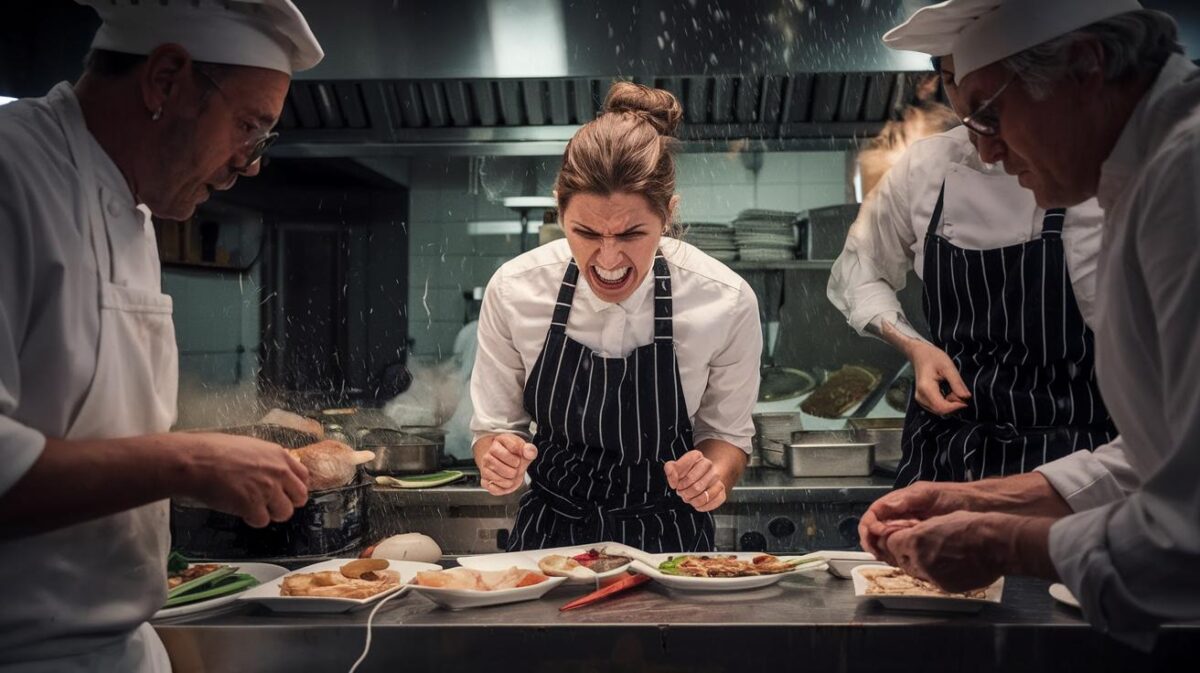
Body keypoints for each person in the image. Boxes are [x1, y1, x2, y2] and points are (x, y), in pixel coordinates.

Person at [858, 0, 1200, 646]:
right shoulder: (1145, 171)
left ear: (1085, 66)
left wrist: (1004, 539)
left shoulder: (1186, 177)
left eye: (990, 113)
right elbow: (1166, 455)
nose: (985, 152)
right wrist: (984, 499)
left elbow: (1188, 523)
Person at [0, 1, 322, 670]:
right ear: (166, 80)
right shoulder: (13, 174)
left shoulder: (138, 212)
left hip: (122, 648)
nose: (252, 163)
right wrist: (192, 462)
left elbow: (95, 434)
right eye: (248, 127)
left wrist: (218, 459)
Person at [470, 82, 761, 552]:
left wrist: (712, 475)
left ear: (667, 215)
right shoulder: (514, 289)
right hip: (550, 542)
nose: (608, 258)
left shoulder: (725, 301)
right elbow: (495, 428)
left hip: (671, 543)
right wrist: (497, 457)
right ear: (559, 209)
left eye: (631, 234)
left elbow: (726, 436)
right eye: (585, 232)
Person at [829, 52, 1115, 487]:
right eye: (949, 78)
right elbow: (857, 268)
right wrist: (916, 348)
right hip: (943, 454)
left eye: (982, 88)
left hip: (1071, 460)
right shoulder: (926, 165)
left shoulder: (1100, 176)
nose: (963, 102)